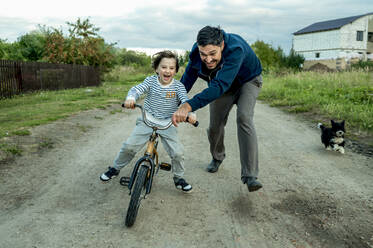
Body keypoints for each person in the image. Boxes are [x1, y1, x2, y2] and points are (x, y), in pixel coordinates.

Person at [172, 26, 263, 192]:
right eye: (203, 54)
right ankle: (217, 157)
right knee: (215, 125)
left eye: (212, 54)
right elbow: (189, 77)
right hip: (223, 86)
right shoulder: (196, 51)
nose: (207, 59)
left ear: (221, 45)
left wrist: (189, 105)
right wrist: (173, 100)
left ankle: (250, 175)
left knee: (244, 117)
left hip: (248, 81)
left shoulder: (236, 49)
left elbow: (220, 85)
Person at [100, 50, 195, 193]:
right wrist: (131, 98)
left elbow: (185, 102)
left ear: (175, 71)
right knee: (129, 147)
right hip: (147, 120)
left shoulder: (178, 87)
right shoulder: (151, 81)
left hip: (167, 123)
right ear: (156, 69)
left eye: (171, 68)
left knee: (178, 153)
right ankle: (115, 168)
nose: (167, 71)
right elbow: (137, 90)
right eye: (163, 67)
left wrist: (190, 114)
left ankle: (178, 178)